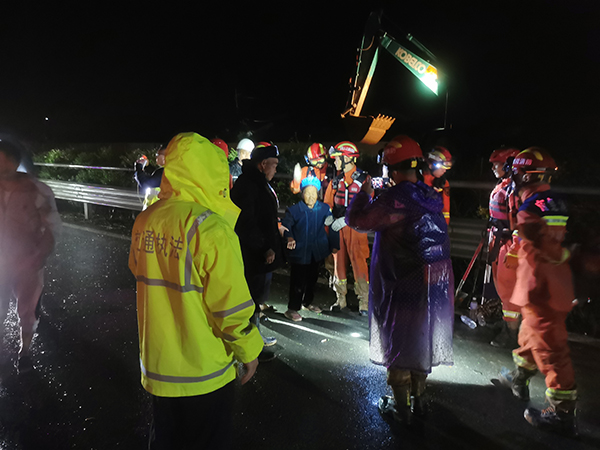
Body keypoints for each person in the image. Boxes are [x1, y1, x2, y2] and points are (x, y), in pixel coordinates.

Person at [129, 132, 263, 450]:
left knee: (165, 439)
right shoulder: (211, 228)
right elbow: (230, 307)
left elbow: (138, 270)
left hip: (159, 368)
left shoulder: (145, 219)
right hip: (204, 372)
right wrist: (250, 350)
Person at [346, 135, 454, 422]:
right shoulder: (430, 195)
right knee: (421, 339)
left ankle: (401, 407)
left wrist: (364, 194)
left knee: (398, 340)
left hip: (401, 284)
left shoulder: (394, 199)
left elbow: (357, 220)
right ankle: (421, 400)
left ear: (391, 168)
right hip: (433, 287)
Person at [498, 147, 578, 436]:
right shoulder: (556, 202)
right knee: (529, 337)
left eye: (516, 174)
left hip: (543, 290)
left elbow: (538, 242)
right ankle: (519, 379)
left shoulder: (530, 207)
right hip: (547, 287)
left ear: (524, 175)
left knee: (552, 350)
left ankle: (562, 413)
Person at [0, 139, 62, 373]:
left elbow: (51, 225)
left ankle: (24, 351)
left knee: (27, 310)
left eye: (3, 160)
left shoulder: (36, 190)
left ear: (15, 163)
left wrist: (41, 254)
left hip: (28, 261)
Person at [230, 141, 282, 359]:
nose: (276, 169)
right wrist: (264, 246)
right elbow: (246, 221)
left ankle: (255, 338)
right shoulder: (250, 184)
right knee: (251, 298)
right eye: (274, 164)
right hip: (253, 254)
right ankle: (252, 348)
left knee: (256, 298)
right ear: (262, 164)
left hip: (260, 253)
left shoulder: (258, 182)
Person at [281, 177, 340, 321]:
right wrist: (289, 237)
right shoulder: (294, 210)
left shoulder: (324, 209)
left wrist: (334, 244)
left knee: (312, 278)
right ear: (302, 194)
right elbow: (285, 226)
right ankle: (292, 308)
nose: (311, 196)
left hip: (316, 251)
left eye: (314, 193)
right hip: (300, 252)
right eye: (307, 193)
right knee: (298, 280)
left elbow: (332, 226)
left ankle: (307, 301)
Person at [323, 141, 370, 315]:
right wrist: (327, 216)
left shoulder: (365, 180)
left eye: (337, 158)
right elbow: (328, 203)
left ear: (347, 158)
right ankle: (340, 299)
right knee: (338, 264)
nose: (334, 162)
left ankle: (364, 303)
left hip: (356, 229)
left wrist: (348, 220)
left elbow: (368, 206)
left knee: (359, 264)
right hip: (337, 228)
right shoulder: (336, 181)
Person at [487, 147, 521, 348]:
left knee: (508, 291)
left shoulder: (513, 190)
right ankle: (508, 326)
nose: (493, 167)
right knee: (501, 289)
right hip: (497, 241)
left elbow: (517, 223)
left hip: (507, 245)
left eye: (496, 164)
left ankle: (512, 334)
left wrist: (514, 250)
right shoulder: (504, 185)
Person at [423, 146, 452, 225]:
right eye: (442, 167)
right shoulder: (417, 180)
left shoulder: (443, 183)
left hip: (434, 227)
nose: (444, 170)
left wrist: (445, 227)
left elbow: (446, 210)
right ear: (431, 165)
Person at [134, 146, 166, 210]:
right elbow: (155, 176)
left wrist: (139, 168)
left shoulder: (164, 172)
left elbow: (145, 183)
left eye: (158, 154)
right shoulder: (170, 170)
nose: (156, 157)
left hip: (156, 212)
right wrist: (147, 166)